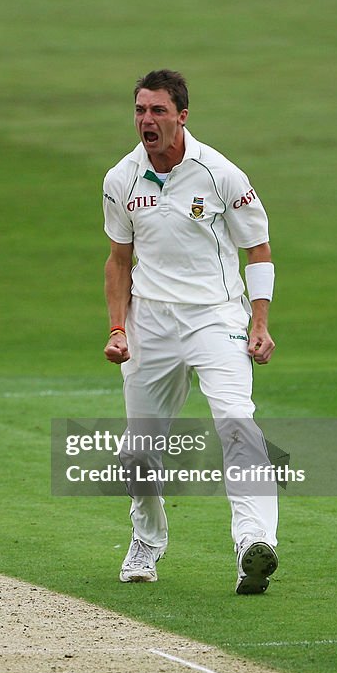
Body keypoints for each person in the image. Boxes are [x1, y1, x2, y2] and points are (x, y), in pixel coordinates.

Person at [102, 69, 279, 595]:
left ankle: (253, 544)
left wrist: (260, 322)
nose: (147, 120)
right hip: (151, 321)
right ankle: (147, 539)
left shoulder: (220, 173)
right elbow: (118, 260)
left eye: (158, 110)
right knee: (139, 451)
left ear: (181, 116)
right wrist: (117, 327)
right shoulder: (121, 178)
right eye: (140, 110)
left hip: (215, 318)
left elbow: (258, 250)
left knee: (237, 424)